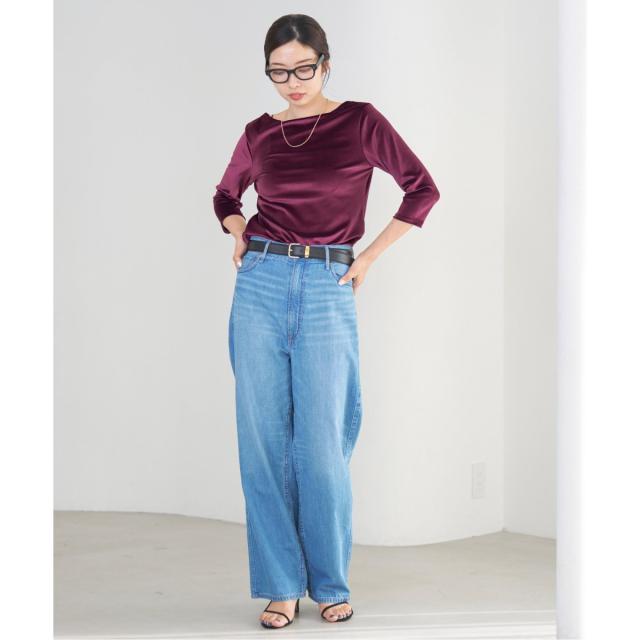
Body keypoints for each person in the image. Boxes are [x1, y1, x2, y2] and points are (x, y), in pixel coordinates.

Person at [212, 14, 440, 629]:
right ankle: (281, 585)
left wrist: (368, 257)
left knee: (322, 444)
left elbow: (422, 188)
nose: (292, 82)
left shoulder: (360, 122)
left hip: (326, 284)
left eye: (303, 69)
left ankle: (330, 581)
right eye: (278, 72)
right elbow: (226, 195)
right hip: (260, 281)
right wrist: (238, 231)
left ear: (326, 63)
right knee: (263, 441)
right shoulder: (259, 133)